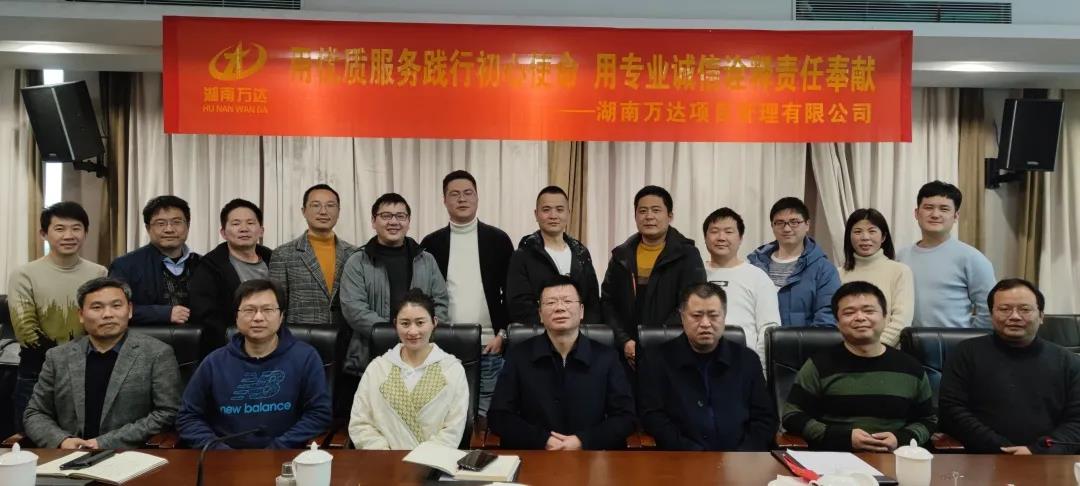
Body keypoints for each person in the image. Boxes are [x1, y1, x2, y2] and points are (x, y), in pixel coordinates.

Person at [23, 278, 181, 449]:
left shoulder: (157, 354)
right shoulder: (58, 357)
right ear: (81, 315)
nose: (107, 314)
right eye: (97, 307)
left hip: (128, 456)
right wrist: (62, 441)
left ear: (129, 310)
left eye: (116, 306)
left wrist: (104, 443)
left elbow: (167, 413)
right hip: (68, 455)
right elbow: (35, 413)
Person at [176, 279, 332, 449]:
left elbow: (319, 414)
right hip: (224, 458)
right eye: (249, 310)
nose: (258, 318)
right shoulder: (214, 362)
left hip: (285, 456)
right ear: (236, 316)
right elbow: (188, 417)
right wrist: (218, 450)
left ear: (281, 316)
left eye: (267, 310)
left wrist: (276, 449)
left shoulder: (305, 357)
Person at [782, 281, 936, 451]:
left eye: (869, 311)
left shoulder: (910, 367)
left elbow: (928, 420)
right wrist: (841, 437)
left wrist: (901, 439)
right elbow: (792, 415)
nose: (860, 317)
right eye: (849, 312)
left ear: (885, 317)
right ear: (837, 322)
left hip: (894, 458)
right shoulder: (819, 365)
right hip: (834, 459)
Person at [489, 275, 635, 450]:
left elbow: (626, 417)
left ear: (581, 311)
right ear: (540, 314)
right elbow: (499, 415)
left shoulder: (606, 357)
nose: (559, 308)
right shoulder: (519, 356)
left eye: (567, 301)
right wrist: (543, 440)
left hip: (590, 457)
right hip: (537, 455)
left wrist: (582, 441)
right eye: (551, 303)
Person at [939, 278, 1080, 454]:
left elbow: (1077, 421)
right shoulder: (966, 353)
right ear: (991, 315)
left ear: (1041, 316)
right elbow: (951, 411)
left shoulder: (1068, 362)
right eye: (1004, 309)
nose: (1014, 316)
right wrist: (1002, 448)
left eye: (1025, 309)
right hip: (983, 458)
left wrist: (1037, 450)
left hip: (1047, 459)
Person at [638, 283, 776, 451]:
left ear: (724, 316)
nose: (705, 323)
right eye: (696, 316)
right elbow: (653, 418)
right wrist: (692, 453)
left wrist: (742, 456)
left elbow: (764, 419)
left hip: (741, 460)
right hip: (682, 458)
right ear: (682, 317)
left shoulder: (747, 360)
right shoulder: (657, 360)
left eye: (713, 315)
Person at [420, 170, 513, 416]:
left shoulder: (498, 240)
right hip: (443, 345)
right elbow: (424, 296)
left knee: (487, 417)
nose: (462, 199)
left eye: (468, 193)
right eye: (454, 194)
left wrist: (503, 335)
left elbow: (510, 293)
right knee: (444, 414)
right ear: (444, 200)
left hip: (490, 345)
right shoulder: (431, 243)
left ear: (477, 197)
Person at [8, 202, 107, 433]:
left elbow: (101, 323)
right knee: (31, 440)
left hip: (87, 370)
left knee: (84, 439)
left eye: (76, 228)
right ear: (44, 234)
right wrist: (64, 364)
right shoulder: (24, 274)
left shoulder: (99, 273)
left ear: (85, 233)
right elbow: (26, 331)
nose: (69, 235)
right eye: (60, 229)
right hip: (36, 372)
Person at [340, 193, 449, 379]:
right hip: (371, 355)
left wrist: (419, 333)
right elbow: (354, 310)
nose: (394, 222)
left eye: (400, 216)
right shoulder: (357, 261)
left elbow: (441, 303)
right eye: (386, 216)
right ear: (373, 221)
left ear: (408, 221)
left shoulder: (426, 260)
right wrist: (398, 333)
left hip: (421, 354)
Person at [348, 289, 469, 450]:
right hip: (383, 460)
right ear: (395, 324)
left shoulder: (452, 370)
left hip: (433, 460)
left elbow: (453, 429)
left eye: (420, 323)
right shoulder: (377, 369)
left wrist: (424, 458)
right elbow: (360, 423)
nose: (412, 331)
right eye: (405, 323)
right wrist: (384, 454)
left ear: (434, 322)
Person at [601, 185, 706, 370]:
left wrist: (655, 340)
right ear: (635, 216)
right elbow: (608, 303)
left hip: (672, 351)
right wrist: (624, 341)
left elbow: (692, 303)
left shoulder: (687, 255)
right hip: (625, 353)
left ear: (670, 216)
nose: (649, 216)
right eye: (642, 211)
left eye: (656, 210)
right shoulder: (621, 256)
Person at [897, 181, 995, 328]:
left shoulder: (972, 258)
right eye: (928, 208)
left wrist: (969, 339)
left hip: (955, 341)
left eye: (944, 209)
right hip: (906, 340)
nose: (935, 214)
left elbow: (989, 308)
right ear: (916, 213)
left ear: (955, 216)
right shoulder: (901, 256)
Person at [506, 185, 602, 324]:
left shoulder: (581, 253)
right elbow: (519, 305)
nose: (553, 216)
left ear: (568, 213)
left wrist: (578, 331)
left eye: (559, 209)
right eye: (546, 210)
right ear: (536, 214)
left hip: (579, 333)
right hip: (539, 333)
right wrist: (554, 327)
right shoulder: (522, 256)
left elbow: (592, 302)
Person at [189, 199, 273, 350]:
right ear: (223, 233)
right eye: (236, 224)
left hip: (275, 340)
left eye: (250, 223)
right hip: (231, 345)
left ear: (261, 231)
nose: (244, 229)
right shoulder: (209, 266)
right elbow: (206, 316)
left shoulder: (275, 260)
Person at [700, 207, 780, 367]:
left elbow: (768, 329)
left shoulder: (757, 277)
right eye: (714, 231)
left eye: (728, 232)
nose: (721, 237)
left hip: (743, 364)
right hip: (698, 362)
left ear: (740, 238)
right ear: (705, 237)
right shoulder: (694, 273)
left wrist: (759, 368)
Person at [269, 184, 357, 326]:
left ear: (339, 211)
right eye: (316, 205)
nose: (323, 211)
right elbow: (276, 306)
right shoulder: (283, 255)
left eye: (330, 205)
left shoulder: (354, 254)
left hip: (345, 335)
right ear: (304, 211)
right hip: (300, 336)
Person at [748, 197, 841, 327]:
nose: (787, 229)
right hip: (758, 339)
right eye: (780, 223)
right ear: (772, 226)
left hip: (804, 340)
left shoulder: (824, 269)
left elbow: (827, 317)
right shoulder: (755, 264)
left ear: (807, 224)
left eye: (794, 222)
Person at [108, 195, 200, 326]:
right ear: (148, 228)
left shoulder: (203, 264)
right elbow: (114, 307)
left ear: (188, 226)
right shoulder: (125, 265)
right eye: (160, 223)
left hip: (200, 337)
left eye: (177, 222)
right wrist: (164, 314)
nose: (169, 229)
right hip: (145, 337)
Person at [838, 208, 914, 347]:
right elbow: (835, 318)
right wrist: (850, 350)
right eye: (858, 232)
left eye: (872, 231)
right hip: (846, 352)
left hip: (886, 352)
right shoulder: (838, 273)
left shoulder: (900, 271)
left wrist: (876, 349)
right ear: (849, 236)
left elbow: (901, 320)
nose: (865, 237)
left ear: (883, 237)